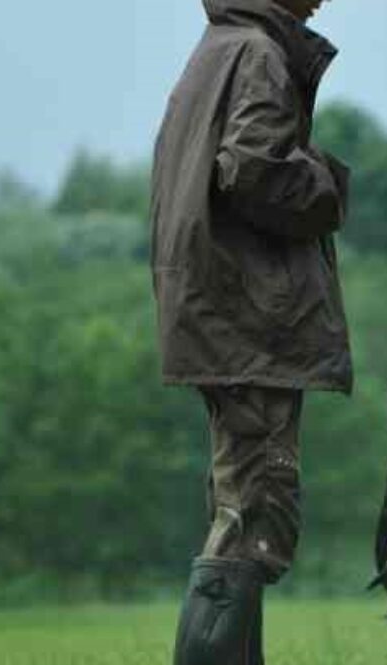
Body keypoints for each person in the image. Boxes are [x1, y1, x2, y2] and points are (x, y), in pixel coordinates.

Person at [148, 0, 350, 663]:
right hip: (252, 324)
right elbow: (254, 167)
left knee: (243, 508)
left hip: (221, 318)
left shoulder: (220, 47)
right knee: (252, 517)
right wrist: (327, 185)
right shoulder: (258, 52)